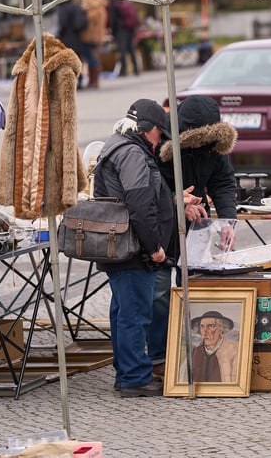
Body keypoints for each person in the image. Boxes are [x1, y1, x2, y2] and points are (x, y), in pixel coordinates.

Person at [150, 95, 238, 379]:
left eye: (204, 140)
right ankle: (158, 358)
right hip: (162, 227)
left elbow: (223, 183)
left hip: (197, 226)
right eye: (194, 140)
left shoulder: (213, 147)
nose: (199, 145)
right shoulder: (162, 147)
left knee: (195, 286)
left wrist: (228, 222)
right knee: (161, 292)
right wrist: (179, 203)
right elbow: (152, 188)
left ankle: (188, 351)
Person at [92, 99, 175, 397]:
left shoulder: (116, 144)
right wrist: (154, 247)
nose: (160, 141)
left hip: (121, 244)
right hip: (133, 248)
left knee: (123, 311)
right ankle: (134, 377)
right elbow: (140, 204)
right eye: (159, 135)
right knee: (134, 313)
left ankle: (126, 370)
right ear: (148, 129)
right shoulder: (132, 154)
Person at [190, 310, 239, 383]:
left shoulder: (234, 350)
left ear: (221, 330)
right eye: (202, 326)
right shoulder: (196, 351)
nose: (204, 332)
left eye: (210, 326)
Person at [57, 0, 88, 88]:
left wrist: (60, 35)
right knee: (76, 60)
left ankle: (70, 82)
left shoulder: (63, 8)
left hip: (67, 38)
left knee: (68, 62)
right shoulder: (75, 7)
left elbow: (63, 24)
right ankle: (80, 79)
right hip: (77, 37)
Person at [79, 0, 108, 89]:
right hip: (97, 37)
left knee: (91, 59)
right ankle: (93, 80)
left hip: (90, 37)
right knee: (93, 58)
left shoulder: (93, 10)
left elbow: (88, 22)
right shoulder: (101, 8)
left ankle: (94, 81)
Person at [109, 0, 141, 77]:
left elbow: (113, 20)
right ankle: (136, 69)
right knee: (131, 49)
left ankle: (124, 70)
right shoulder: (126, 3)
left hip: (121, 30)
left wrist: (113, 32)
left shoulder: (113, 5)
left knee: (122, 50)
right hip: (130, 29)